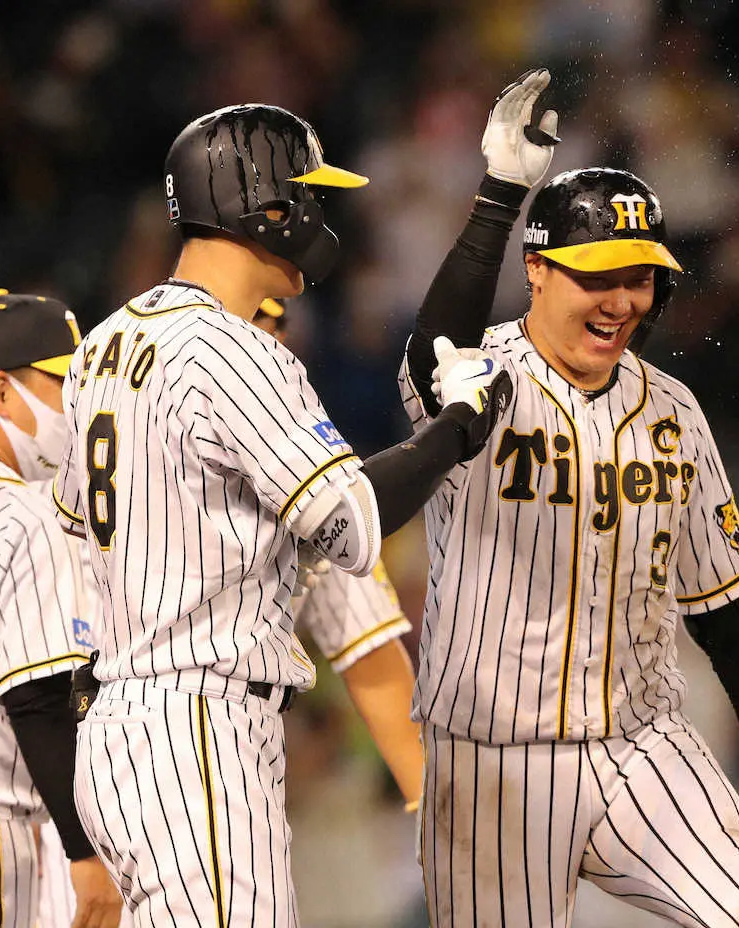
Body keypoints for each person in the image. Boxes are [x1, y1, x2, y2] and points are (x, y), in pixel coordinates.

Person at [51, 103, 509, 926]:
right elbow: (354, 524)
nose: (319, 217)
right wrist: (456, 428)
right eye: (309, 195)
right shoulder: (235, 348)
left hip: (117, 727)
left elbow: (73, 527)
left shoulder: (104, 345)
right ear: (268, 206)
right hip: (199, 724)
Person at [399, 69, 739, 927]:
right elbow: (429, 350)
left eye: (639, 276)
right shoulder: (478, 372)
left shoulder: (672, 408)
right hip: (492, 764)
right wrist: (498, 195)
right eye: (596, 275)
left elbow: (731, 607)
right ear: (536, 268)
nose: (621, 299)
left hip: (644, 746)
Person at [0, 289, 123, 928]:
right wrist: (86, 855)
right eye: (63, 383)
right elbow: (43, 696)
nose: (79, 406)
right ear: (0, 393)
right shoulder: (28, 515)